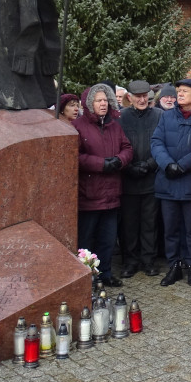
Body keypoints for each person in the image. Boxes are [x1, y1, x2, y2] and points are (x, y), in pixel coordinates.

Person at [151, 78, 191, 287]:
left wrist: (183, 165)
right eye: (179, 91)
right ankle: (174, 265)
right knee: (171, 228)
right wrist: (167, 164)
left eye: (184, 91)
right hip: (167, 181)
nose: (179, 94)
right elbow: (156, 142)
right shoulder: (167, 116)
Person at [74, 83, 132, 288]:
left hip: (112, 194)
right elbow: (76, 156)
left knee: (108, 239)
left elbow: (127, 147)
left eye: (106, 100)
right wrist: (101, 164)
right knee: (87, 240)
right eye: (99, 100)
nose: (103, 104)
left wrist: (119, 160)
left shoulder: (114, 125)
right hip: (90, 194)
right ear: (89, 104)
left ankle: (105, 273)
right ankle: (86, 276)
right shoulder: (78, 126)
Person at [119, 80, 162, 279]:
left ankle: (148, 260)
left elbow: (163, 144)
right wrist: (128, 166)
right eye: (138, 96)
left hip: (151, 178)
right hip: (128, 179)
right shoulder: (121, 117)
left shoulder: (159, 116)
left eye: (145, 96)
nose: (142, 99)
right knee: (129, 224)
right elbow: (118, 146)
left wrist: (150, 164)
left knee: (149, 223)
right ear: (130, 98)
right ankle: (130, 261)